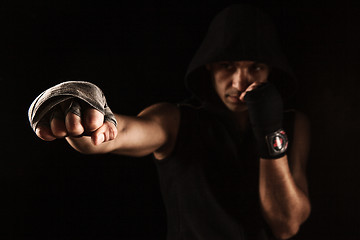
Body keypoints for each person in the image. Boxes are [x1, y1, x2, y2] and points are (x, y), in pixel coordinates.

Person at [29, 4, 311, 240]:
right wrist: (87, 116)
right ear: (210, 66)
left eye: (255, 67)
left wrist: (270, 131)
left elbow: (286, 225)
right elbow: (120, 133)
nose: (240, 81)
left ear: (271, 70)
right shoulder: (176, 120)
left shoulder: (293, 123)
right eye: (228, 66)